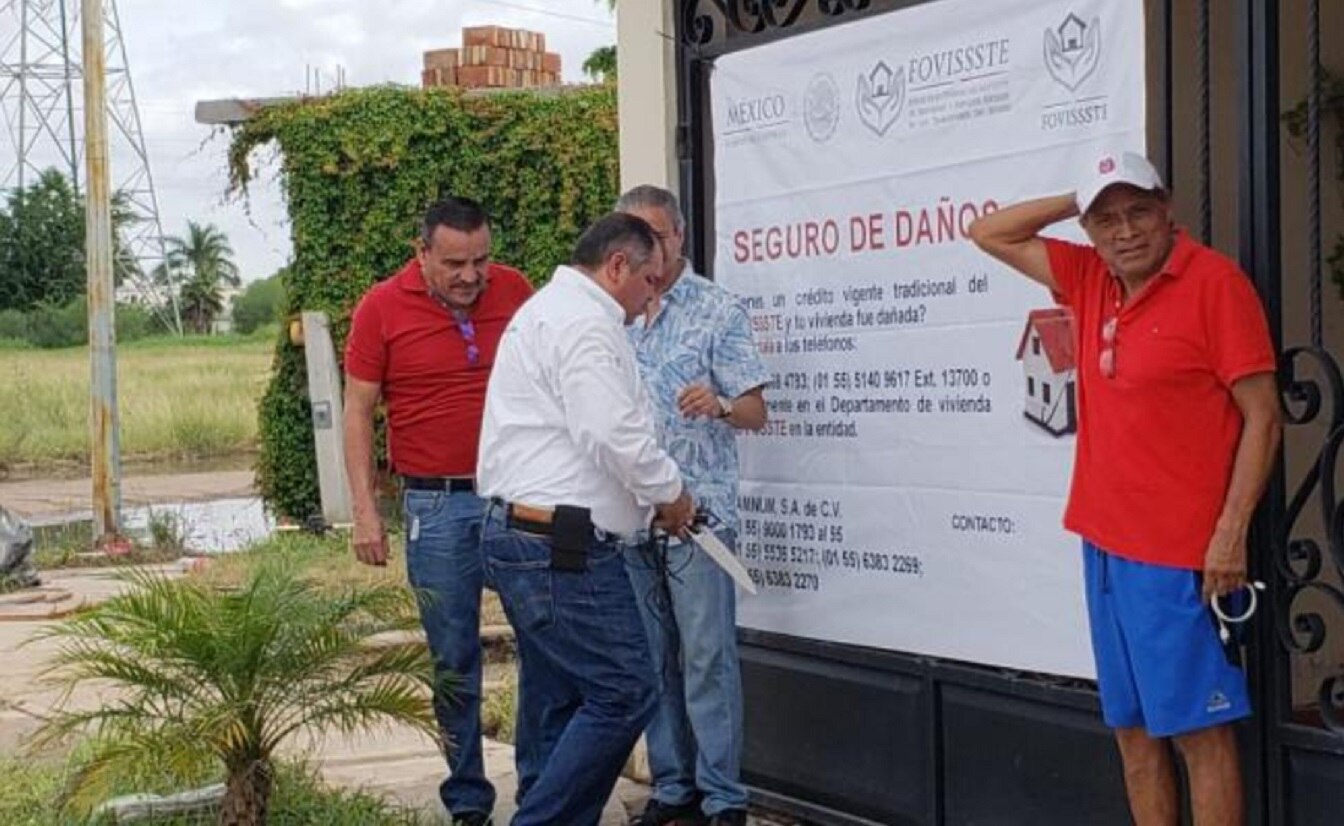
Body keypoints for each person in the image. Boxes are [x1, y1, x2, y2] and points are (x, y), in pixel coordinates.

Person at [968, 151, 1281, 826]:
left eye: (1138, 210)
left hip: (1181, 556)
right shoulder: (1089, 276)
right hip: (1106, 545)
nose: (1125, 231)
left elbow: (1263, 415)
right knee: (1133, 733)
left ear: (1167, 211)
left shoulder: (1214, 285)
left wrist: (1229, 533)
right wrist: (1075, 197)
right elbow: (990, 232)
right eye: (1105, 219)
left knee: (1202, 735)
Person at [477, 212, 697, 826]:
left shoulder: (552, 311)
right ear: (617, 266)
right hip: (560, 545)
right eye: (650, 280)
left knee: (558, 698)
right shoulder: (584, 323)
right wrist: (669, 492)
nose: (653, 295)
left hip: (532, 536)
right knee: (626, 690)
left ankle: (546, 809)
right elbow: (611, 432)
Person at [343, 196, 534, 826]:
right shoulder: (380, 308)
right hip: (436, 504)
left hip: (516, 500)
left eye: (480, 260)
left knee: (544, 642)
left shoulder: (516, 291)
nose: (470, 276)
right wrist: (365, 513)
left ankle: (541, 788)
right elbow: (357, 413)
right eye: (454, 263)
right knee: (453, 657)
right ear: (422, 253)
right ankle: (469, 800)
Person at [616, 186, 770, 826]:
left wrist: (723, 405)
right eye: (635, 238)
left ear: (680, 235)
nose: (649, 251)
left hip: (700, 520)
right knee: (653, 661)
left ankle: (723, 797)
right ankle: (672, 788)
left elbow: (757, 413)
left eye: (659, 236)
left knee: (706, 658)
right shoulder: (613, 315)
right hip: (630, 518)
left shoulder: (717, 310)